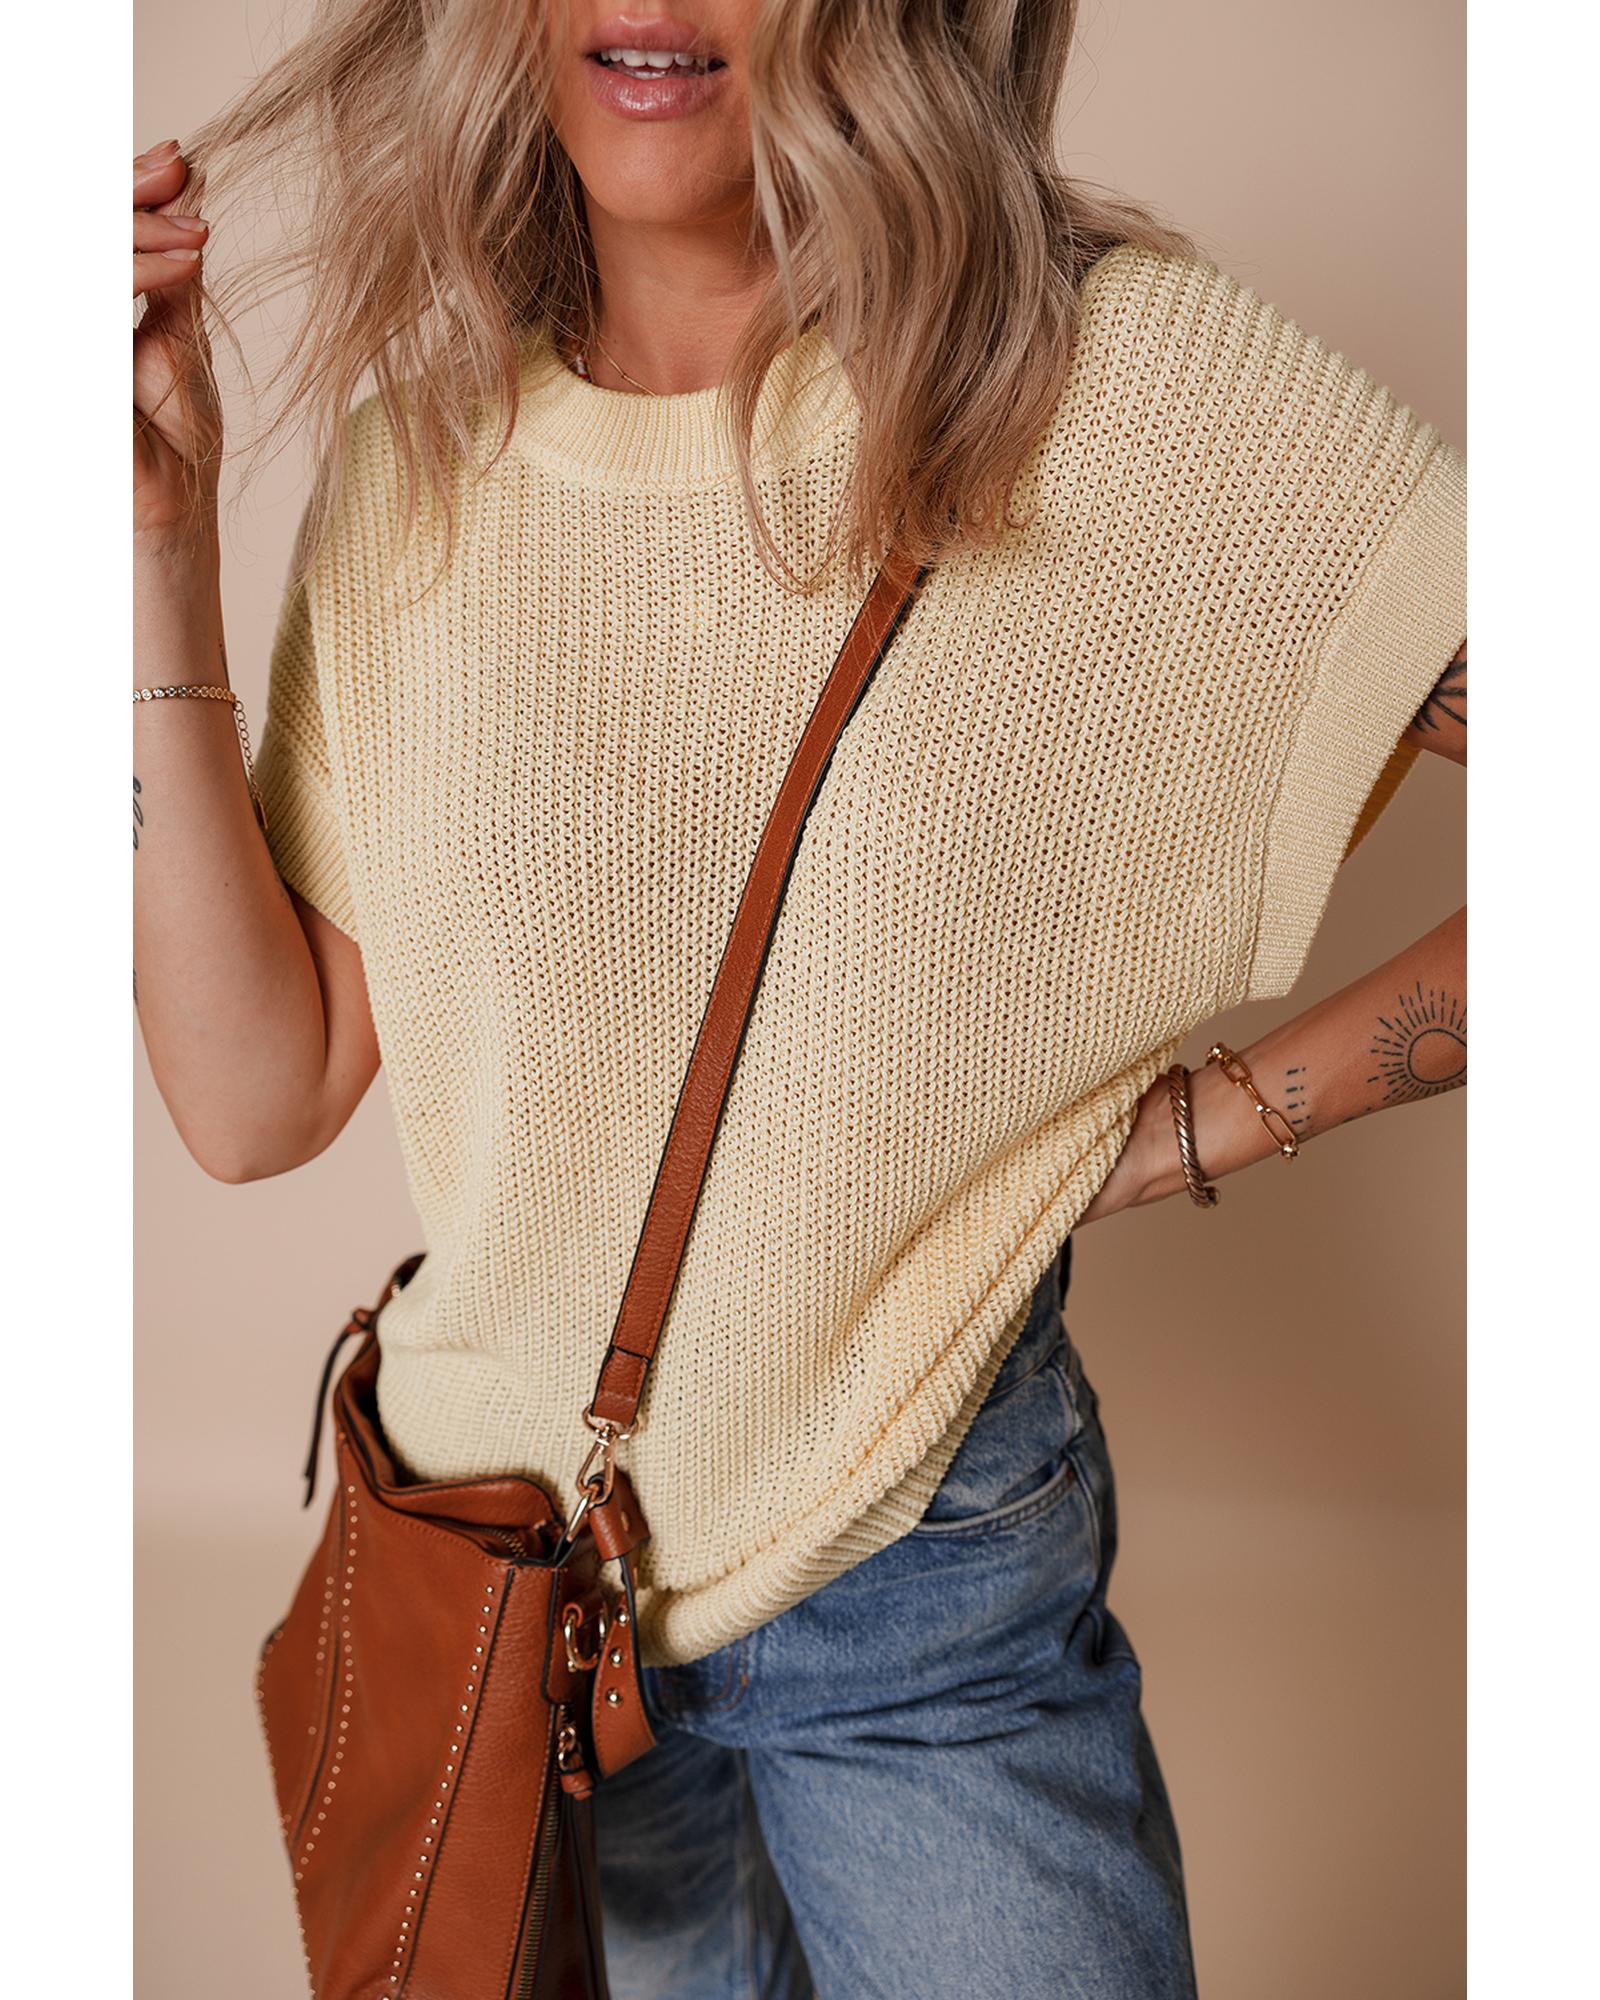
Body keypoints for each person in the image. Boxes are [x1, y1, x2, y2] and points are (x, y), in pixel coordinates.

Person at [133, 4, 1466, 1994]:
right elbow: (259, 1093)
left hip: (915, 1576)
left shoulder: (1106, 385)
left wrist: (1208, 1124)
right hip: (510, 1602)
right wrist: (152, 542)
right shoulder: (423, 457)